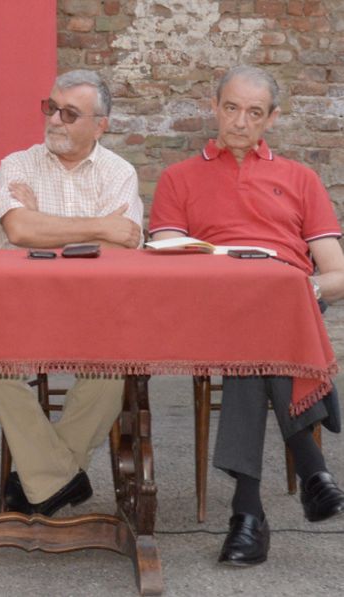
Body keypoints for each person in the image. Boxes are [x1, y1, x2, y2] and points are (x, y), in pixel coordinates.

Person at [149, 65, 344, 566]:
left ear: (271, 118)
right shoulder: (178, 178)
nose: (240, 121)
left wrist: (304, 291)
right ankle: (312, 469)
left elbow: (337, 274)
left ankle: (248, 513)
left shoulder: (300, 178)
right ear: (214, 107)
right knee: (255, 325)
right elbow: (167, 258)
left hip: (287, 303)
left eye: (254, 113)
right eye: (231, 108)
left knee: (261, 328)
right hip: (213, 306)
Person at [0, 69, 143, 516]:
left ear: (100, 125)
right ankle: (61, 478)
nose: (54, 120)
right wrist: (97, 226)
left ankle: (43, 479)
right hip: (22, 311)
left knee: (115, 366)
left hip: (96, 313)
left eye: (69, 114)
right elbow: (19, 229)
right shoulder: (17, 164)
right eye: (51, 108)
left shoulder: (119, 173)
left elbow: (121, 243)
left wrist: (44, 225)